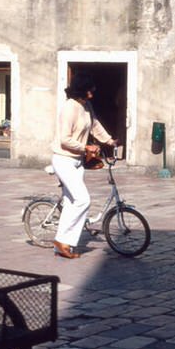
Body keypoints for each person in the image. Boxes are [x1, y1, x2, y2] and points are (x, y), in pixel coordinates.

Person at [50, 76, 117, 259]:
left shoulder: (86, 106)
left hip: (77, 161)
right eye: (88, 91)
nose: (90, 95)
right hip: (63, 159)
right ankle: (62, 240)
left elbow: (95, 125)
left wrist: (109, 141)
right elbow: (64, 139)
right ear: (79, 90)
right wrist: (85, 147)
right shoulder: (69, 108)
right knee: (83, 200)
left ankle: (62, 245)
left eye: (91, 91)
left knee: (72, 203)